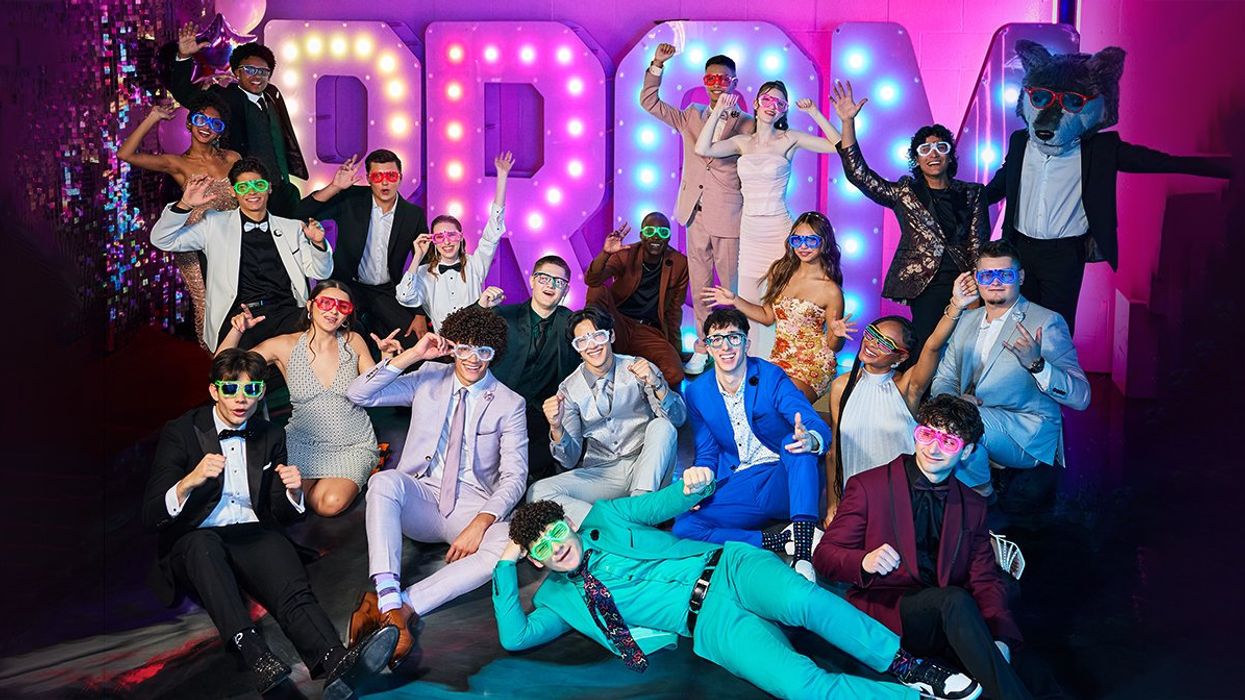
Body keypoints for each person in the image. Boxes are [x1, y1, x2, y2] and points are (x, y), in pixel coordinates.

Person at [493, 475, 983, 700]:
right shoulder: (557, 600)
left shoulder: (608, 517)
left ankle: (907, 665)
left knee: (802, 599)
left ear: (570, 525)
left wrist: (695, 483)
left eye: (556, 532)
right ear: (534, 559)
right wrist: (503, 564)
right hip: (709, 623)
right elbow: (515, 637)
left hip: (728, 567)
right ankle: (912, 698)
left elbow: (667, 502)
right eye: (541, 548)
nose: (555, 547)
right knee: (798, 686)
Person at [141, 349, 397, 697]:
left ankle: (335, 660)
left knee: (286, 576)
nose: (241, 399)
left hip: (251, 531)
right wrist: (189, 481)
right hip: (197, 534)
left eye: (251, 389)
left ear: (261, 392)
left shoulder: (271, 435)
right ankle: (257, 658)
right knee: (203, 548)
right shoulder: (183, 432)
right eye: (231, 389)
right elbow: (151, 514)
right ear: (214, 391)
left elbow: (280, 513)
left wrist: (294, 492)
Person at [985, 41, 1232, 334]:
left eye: (1073, 101)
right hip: (1019, 247)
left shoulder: (1100, 149)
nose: (1050, 115)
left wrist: (1224, 167)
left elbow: (1155, 161)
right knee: (1017, 322)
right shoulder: (1020, 141)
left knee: (1056, 328)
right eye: (1040, 97)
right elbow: (1000, 185)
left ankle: (1052, 366)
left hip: (1064, 253)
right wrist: (959, 197)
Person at [345, 306, 527, 669]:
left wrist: (481, 522)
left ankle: (398, 607)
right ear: (453, 346)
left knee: (507, 548)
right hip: (422, 495)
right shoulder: (428, 376)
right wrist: (414, 354)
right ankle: (388, 594)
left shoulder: (510, 403)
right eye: (465, 348)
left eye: (483, 351)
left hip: (471, 505)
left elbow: (515, 476)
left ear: (494, 353)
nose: (473, 359)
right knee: (382, 481)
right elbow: (359, 394)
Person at [815, 395, 1032, 700]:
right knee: (954, 601)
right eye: (927, 434)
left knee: (1032, 671)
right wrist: (863, 561)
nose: (933, 448)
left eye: (949, 442)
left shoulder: (973, 504)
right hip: (888, 611)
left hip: (946, 621)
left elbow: (984, 579)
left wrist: (1000, 639)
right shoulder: (868, 486)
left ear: (967, 451)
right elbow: (824, 556)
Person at [672, 308, 829, 581]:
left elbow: (812, 423)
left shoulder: (771, 376)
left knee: (795, 442)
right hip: (741, 481)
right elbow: (707, 453)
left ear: (747, 343)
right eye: (716, 339)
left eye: (734, 337)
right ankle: (779, 540)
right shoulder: (697, 391)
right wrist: (700, 484)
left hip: (782, 478)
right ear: (707, 347)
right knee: (685, 526)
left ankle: (803, 552)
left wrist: (811, 439)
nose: (726, 347)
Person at [831, 81, 990, 349]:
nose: (933, 154)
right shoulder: (905, 192)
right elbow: (860, 176)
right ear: (916, 159)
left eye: (941, 147)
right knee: (927, 345)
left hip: (963, 281)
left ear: (950, 156)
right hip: (924, 284)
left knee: (966, 347)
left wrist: (977, 288)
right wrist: (848, 122)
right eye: (925, 149)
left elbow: (978, 244)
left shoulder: (973, 192)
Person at [931, 241, 1091, 493]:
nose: (995, 282)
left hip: (1026, 433)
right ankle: (973, 491)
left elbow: (1081, 397)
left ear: (1021, 277)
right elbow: (944, 379)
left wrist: (1037, 366)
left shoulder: (1047, 321)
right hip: (971, 421)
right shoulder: (966, 319)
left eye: (1005, 275)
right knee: (937, 423)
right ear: (977, 278)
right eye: (987, 275)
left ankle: (980, 495)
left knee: (958, 424)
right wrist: (956, 404)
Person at [694, 81, 841, 351]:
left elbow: (838, 144)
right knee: (749, 301)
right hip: (750, 232)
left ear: (784, 110)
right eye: (767, 100)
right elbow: (703, 149)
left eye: (780, 103)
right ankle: (752, 361)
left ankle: (780, 361)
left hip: (779, 231)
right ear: (756, 103)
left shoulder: (790, 139)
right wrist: (719, 111)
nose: (773, 106)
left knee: (779, 302)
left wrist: (814, 112)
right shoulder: (742, 142)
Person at [216, 281, 384, 517]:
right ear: (310, 306)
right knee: (283, 502)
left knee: (329, 504)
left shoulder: (353, 341)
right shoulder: (284, 345)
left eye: (342, 307)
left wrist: (386, 360)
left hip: (352, 443)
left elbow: (374, 389)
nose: (333, 311)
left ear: (347, 315)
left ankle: (356, 471)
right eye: (326, 303)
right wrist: (237, 331)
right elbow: (223, 369)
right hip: (303, 443)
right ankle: (311, 489)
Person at [827, 272, 979, 522]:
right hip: (854, 505)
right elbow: (834, 452)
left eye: (885, 343)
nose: (872, 344)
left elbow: (932, 346)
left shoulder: (907, 387)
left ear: (901, 357)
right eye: (872, 334)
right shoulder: (841, 386)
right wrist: (833, 505)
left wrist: (956, 305)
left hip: (900, 505)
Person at [641, 45, 756, 375]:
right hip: (694, 213)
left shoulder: (748, 124)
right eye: (710, 78)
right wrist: (657, 65)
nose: (716, 84)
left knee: (730, 288)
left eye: (723, 78)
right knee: (701, 286)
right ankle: (705, 347)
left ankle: (734, 345)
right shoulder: (691, 114)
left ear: (734, 83)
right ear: (704, 81)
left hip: (728, 214)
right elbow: (649, 102)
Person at [150, 157, 333, 351]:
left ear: (269, 188)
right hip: (239, 315)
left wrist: (318, 243)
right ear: (233, 191)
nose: (252, 192)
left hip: (286, 312)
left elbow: (320, 272)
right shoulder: (214, 223)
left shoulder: (292, 228)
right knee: (247, 362)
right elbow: (162, 239)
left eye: (258, 185)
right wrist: (185, 204)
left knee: (329, 341)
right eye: (243, 187)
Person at [529, 304, 687, 523]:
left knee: (662, 426)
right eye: (582, 341)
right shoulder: (568, 389)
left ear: (611, 336)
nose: (592, 346)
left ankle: (638, 508)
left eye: (598, 336)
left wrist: (658, 384)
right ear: (576, 348)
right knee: (537, 492)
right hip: (603, 474)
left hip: (648, 466)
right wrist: (556, 428)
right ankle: (612, 523)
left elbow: (677, 420)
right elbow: (569, 459)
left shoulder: (639, 368)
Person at [120, 96, 242, 348]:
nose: (207, 127)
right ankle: (216, 355)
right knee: (207, 301)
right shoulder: (178, 163)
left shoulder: (232, 158)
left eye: (215, 123)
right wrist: (153, 117)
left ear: (221, 131)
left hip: (230, 237)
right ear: (189, 124)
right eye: (200, 119)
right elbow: (125, 154)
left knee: (236, 293)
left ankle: (239, 351)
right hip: (194, 244)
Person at [702, 211, 852, 400]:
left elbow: (834, 346)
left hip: (813, 364)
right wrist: (734, 300)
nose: (803, 246)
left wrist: (837, 334)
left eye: (811, 240)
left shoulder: (831, 291)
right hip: (780, 359)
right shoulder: (780, 272)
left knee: (782, 402)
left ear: (824, 243)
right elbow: (767, 316)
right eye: (797, 240)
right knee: (747, 398)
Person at [295, 149, 430, 351]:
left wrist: (420, 313)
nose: (385, 183)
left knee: (413, 342)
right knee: (341, 339)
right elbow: (299, 212)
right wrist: (334, 187)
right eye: (378, 176)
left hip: (386, 289)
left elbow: (425, 263)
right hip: (347, 285)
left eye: (391, 176)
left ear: (400, 177)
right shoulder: (352, 199)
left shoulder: (413, 214)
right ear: (368, 179)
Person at [162, 29, 307, 216]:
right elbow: (185, 93)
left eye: (263, 72)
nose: (257, 76)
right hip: (248, 191)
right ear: (237, 73)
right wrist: (183, 57)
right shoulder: (224, 97)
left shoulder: (272, 94)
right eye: (250, 70)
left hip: (280, 188)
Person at [480, 255, 580, 484]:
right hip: (500, 409)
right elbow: (458, 336)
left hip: (543, 416)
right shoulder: (503, 315)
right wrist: (480, 308)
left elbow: (596, 344)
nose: (550, 285)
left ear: (566, 290)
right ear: (532, 280)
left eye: (558, 282)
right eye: (544, 278)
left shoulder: (572, 323)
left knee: (533, 468)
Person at [396, 152, 513, 331]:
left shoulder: (475, 264)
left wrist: (502, 177)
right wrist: (417, 257)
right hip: (443, 344)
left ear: (461, 237)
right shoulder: (423, 273)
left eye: (452, 235)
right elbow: (404, 296)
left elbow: (493, 231)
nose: (447, 242)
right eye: (440, 237)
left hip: (476, 340)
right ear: (433, 241)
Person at [584, 212, 690, 385]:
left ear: (669, 237)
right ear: (641, 235)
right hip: (617, 323)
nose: (656, 236)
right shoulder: (626, 254)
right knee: (597, 290)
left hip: (647, 331)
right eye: (650, 231)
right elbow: (592, 280)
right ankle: (592, 343)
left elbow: (674, 311)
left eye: (663, 232)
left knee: (674, 373)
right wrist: (605, 253)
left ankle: (631, 386)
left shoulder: (679, 264)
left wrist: (675, 350)